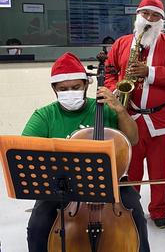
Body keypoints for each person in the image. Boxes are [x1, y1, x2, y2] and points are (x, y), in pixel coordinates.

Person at [23, 52, 150, 252]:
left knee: (136, 217)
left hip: (110, 183)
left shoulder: (105, 109)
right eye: (63, 89)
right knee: (37, 226)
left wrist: (120, 109)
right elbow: (26, 150)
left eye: (76, 87)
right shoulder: (44, 116)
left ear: (86, 85)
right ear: (54, 89)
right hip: (61, 186)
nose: (70, 92)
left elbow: (132, 139)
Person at [104, 0, 165, 228]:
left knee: (159, 170)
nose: (149, 18)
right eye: (146, 13)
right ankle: (132, 209)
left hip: (160, 118)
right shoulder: (121, 43)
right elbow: (110, 71)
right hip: (129, 116)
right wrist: (116, 92)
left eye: (155, 15)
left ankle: (159, 210)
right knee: (130, 170)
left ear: (161, 20)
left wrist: (149, 72)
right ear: (138, 15)